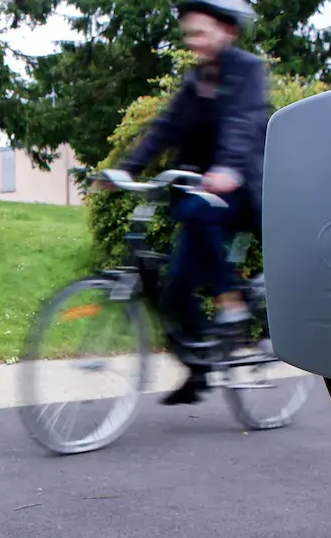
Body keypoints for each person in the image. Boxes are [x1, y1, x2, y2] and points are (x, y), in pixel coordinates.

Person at [104, 0, 269, 405]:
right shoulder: (196, 81)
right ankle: (200, 370)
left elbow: (242, 123)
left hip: (241, 191)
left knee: (195, 212)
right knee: (175, 288)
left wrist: (228, 169)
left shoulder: (246, 70)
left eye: (202, 33)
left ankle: (230, 302)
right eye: (190, 34)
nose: (194, 41)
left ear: (226, 32)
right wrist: (126, 168)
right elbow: (166, 128)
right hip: (203, 194)